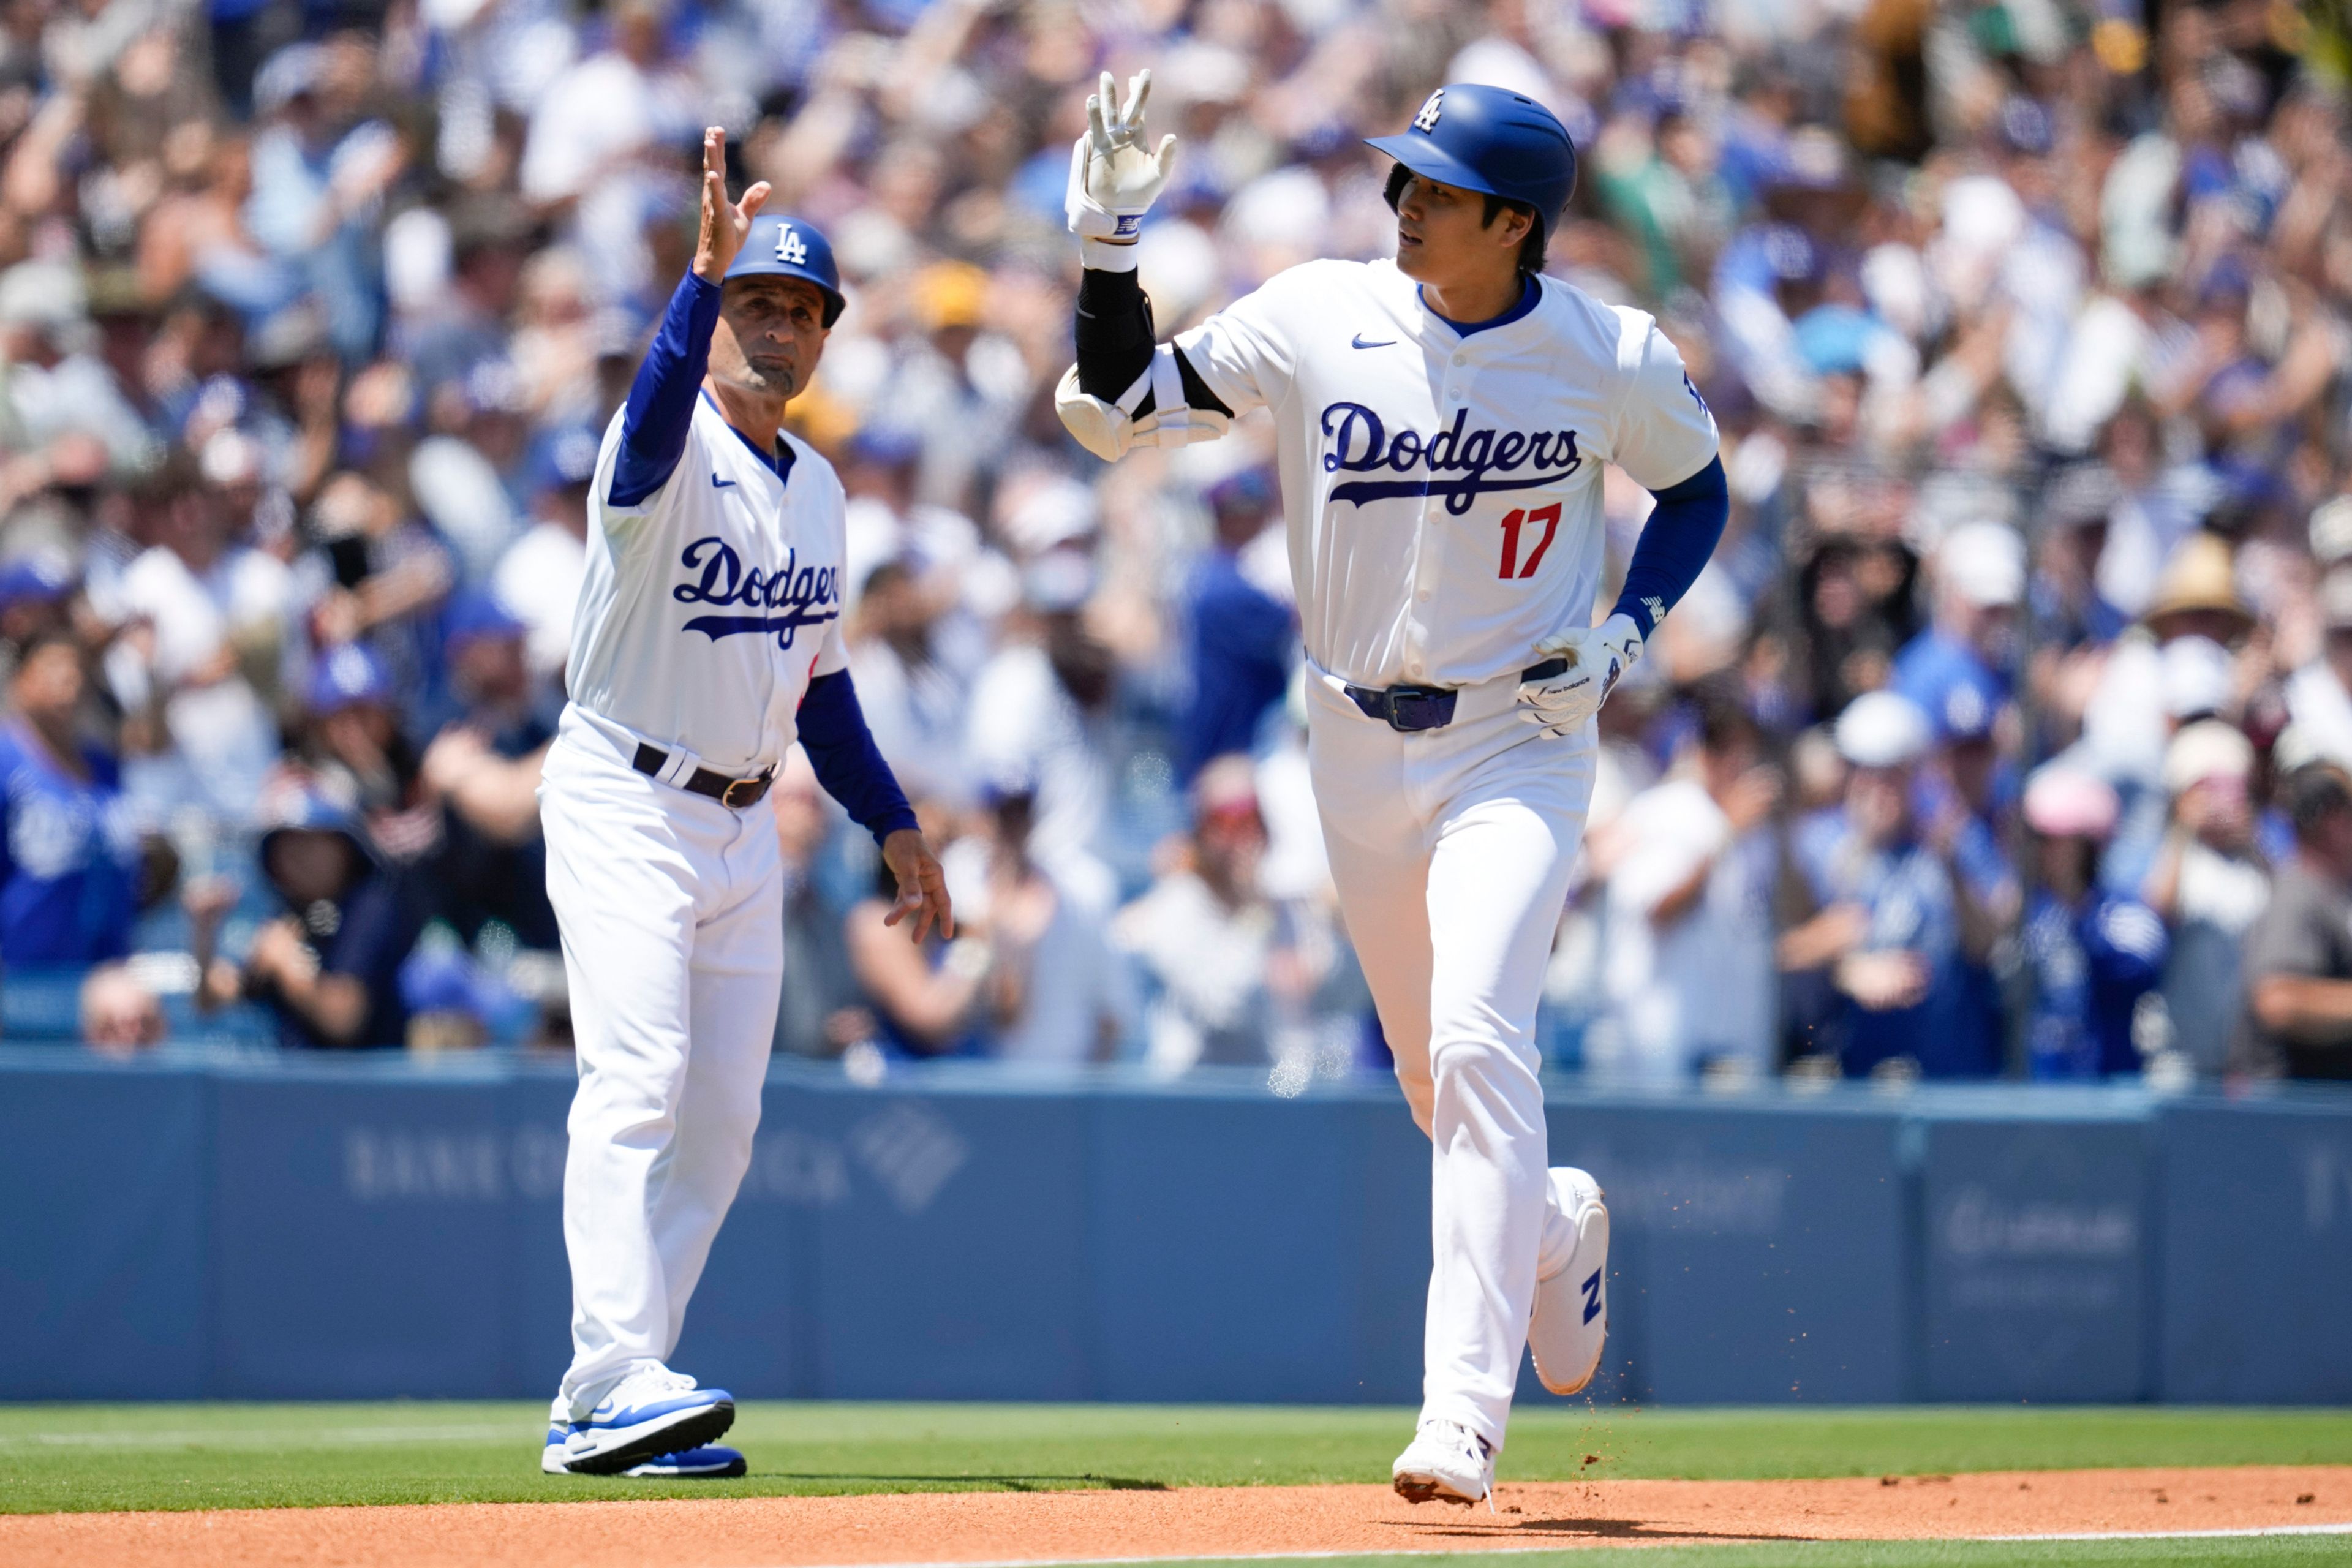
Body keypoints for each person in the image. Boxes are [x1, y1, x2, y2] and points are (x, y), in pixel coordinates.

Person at [1058, 77, 1726, 1502]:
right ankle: (1549, 1224)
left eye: (1434, 186)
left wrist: (1623, 634)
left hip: (1518, 739)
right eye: (1401, 180)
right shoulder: (1316, 312)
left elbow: (1697, 488)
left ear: (1512, 218)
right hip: (1350, 742)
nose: (1403, 201)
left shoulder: (1604, 349)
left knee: (1485, 1038)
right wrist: (1109, 245)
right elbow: (1117, 405)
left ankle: (1459, 1418)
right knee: (1437, 1086)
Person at [535, 130, 952, 1480]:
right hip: (625, 789)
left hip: (741, 818)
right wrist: (693, 278)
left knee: (721, 1117)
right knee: (640, 1077)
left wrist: (893, 821)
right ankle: (609, 1374)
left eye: (800, 309)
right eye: (755, 302)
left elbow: (819, 691)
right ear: (712, 318)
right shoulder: (658, 448)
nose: (779, 325)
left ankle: (624, 1387)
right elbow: (657, 410)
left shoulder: (822, 490)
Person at [2016, 764, 2168, 1079]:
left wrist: (2078, 909)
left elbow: (2140, 966)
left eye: (2054, 840)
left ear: (2088, 846)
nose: (2043, 852)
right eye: (2038, 839)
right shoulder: (2028, 915)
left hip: (2106, 1092)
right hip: (2038, 1092)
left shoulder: (2122, 913)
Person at [0, 630, 140, 964]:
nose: (69, 680)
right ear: (21, 681)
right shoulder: (6, 762)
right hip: (22, 981)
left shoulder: (104, 767)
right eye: (54, 668)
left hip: (105, 981)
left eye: (78, 670)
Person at [2232, 763, 2352, 1080]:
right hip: (2291, 1113)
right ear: (2332, 819)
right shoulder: (2298, 895)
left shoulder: (2333, 893)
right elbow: (2278, 1001)